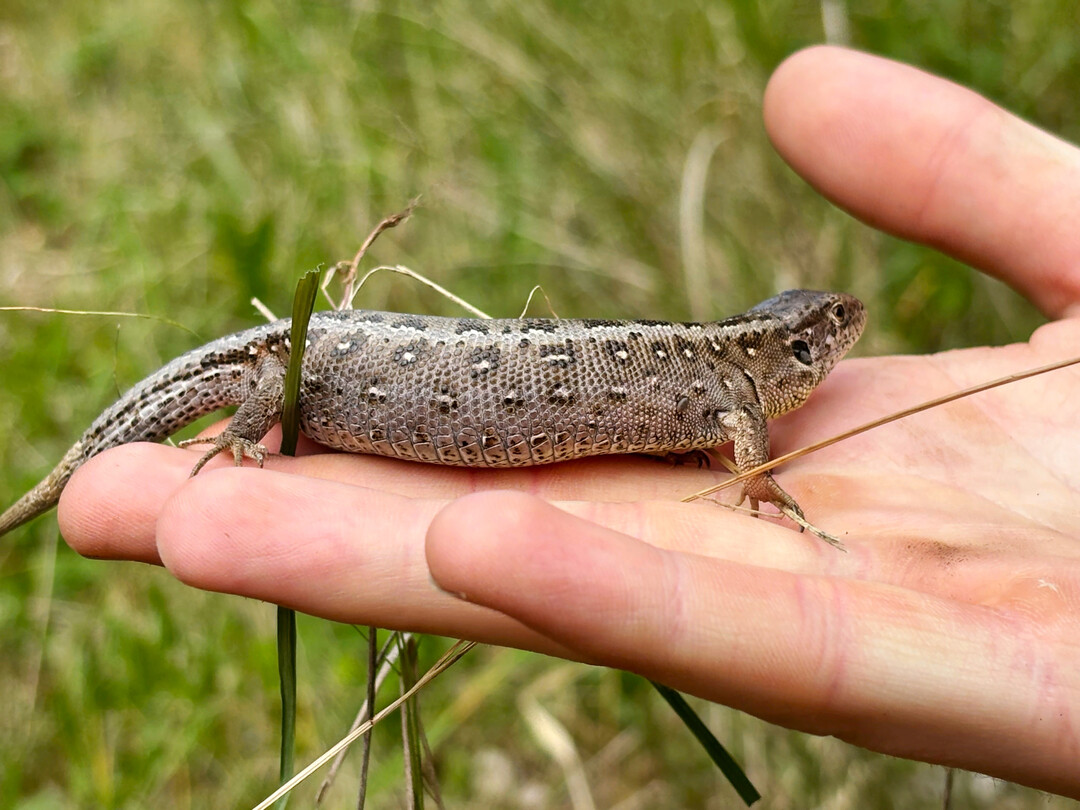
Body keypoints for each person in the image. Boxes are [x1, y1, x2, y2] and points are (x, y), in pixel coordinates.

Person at [58, 46, 1080, 798]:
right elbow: (744, 452)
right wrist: (251, 429)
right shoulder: (735, 397)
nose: (845, 334)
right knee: (278, 393)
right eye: (832, 330)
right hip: (311, 366)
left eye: (836, 327)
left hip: (350, 376)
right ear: (797, 348)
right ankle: (239, 432)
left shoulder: (726, 380)